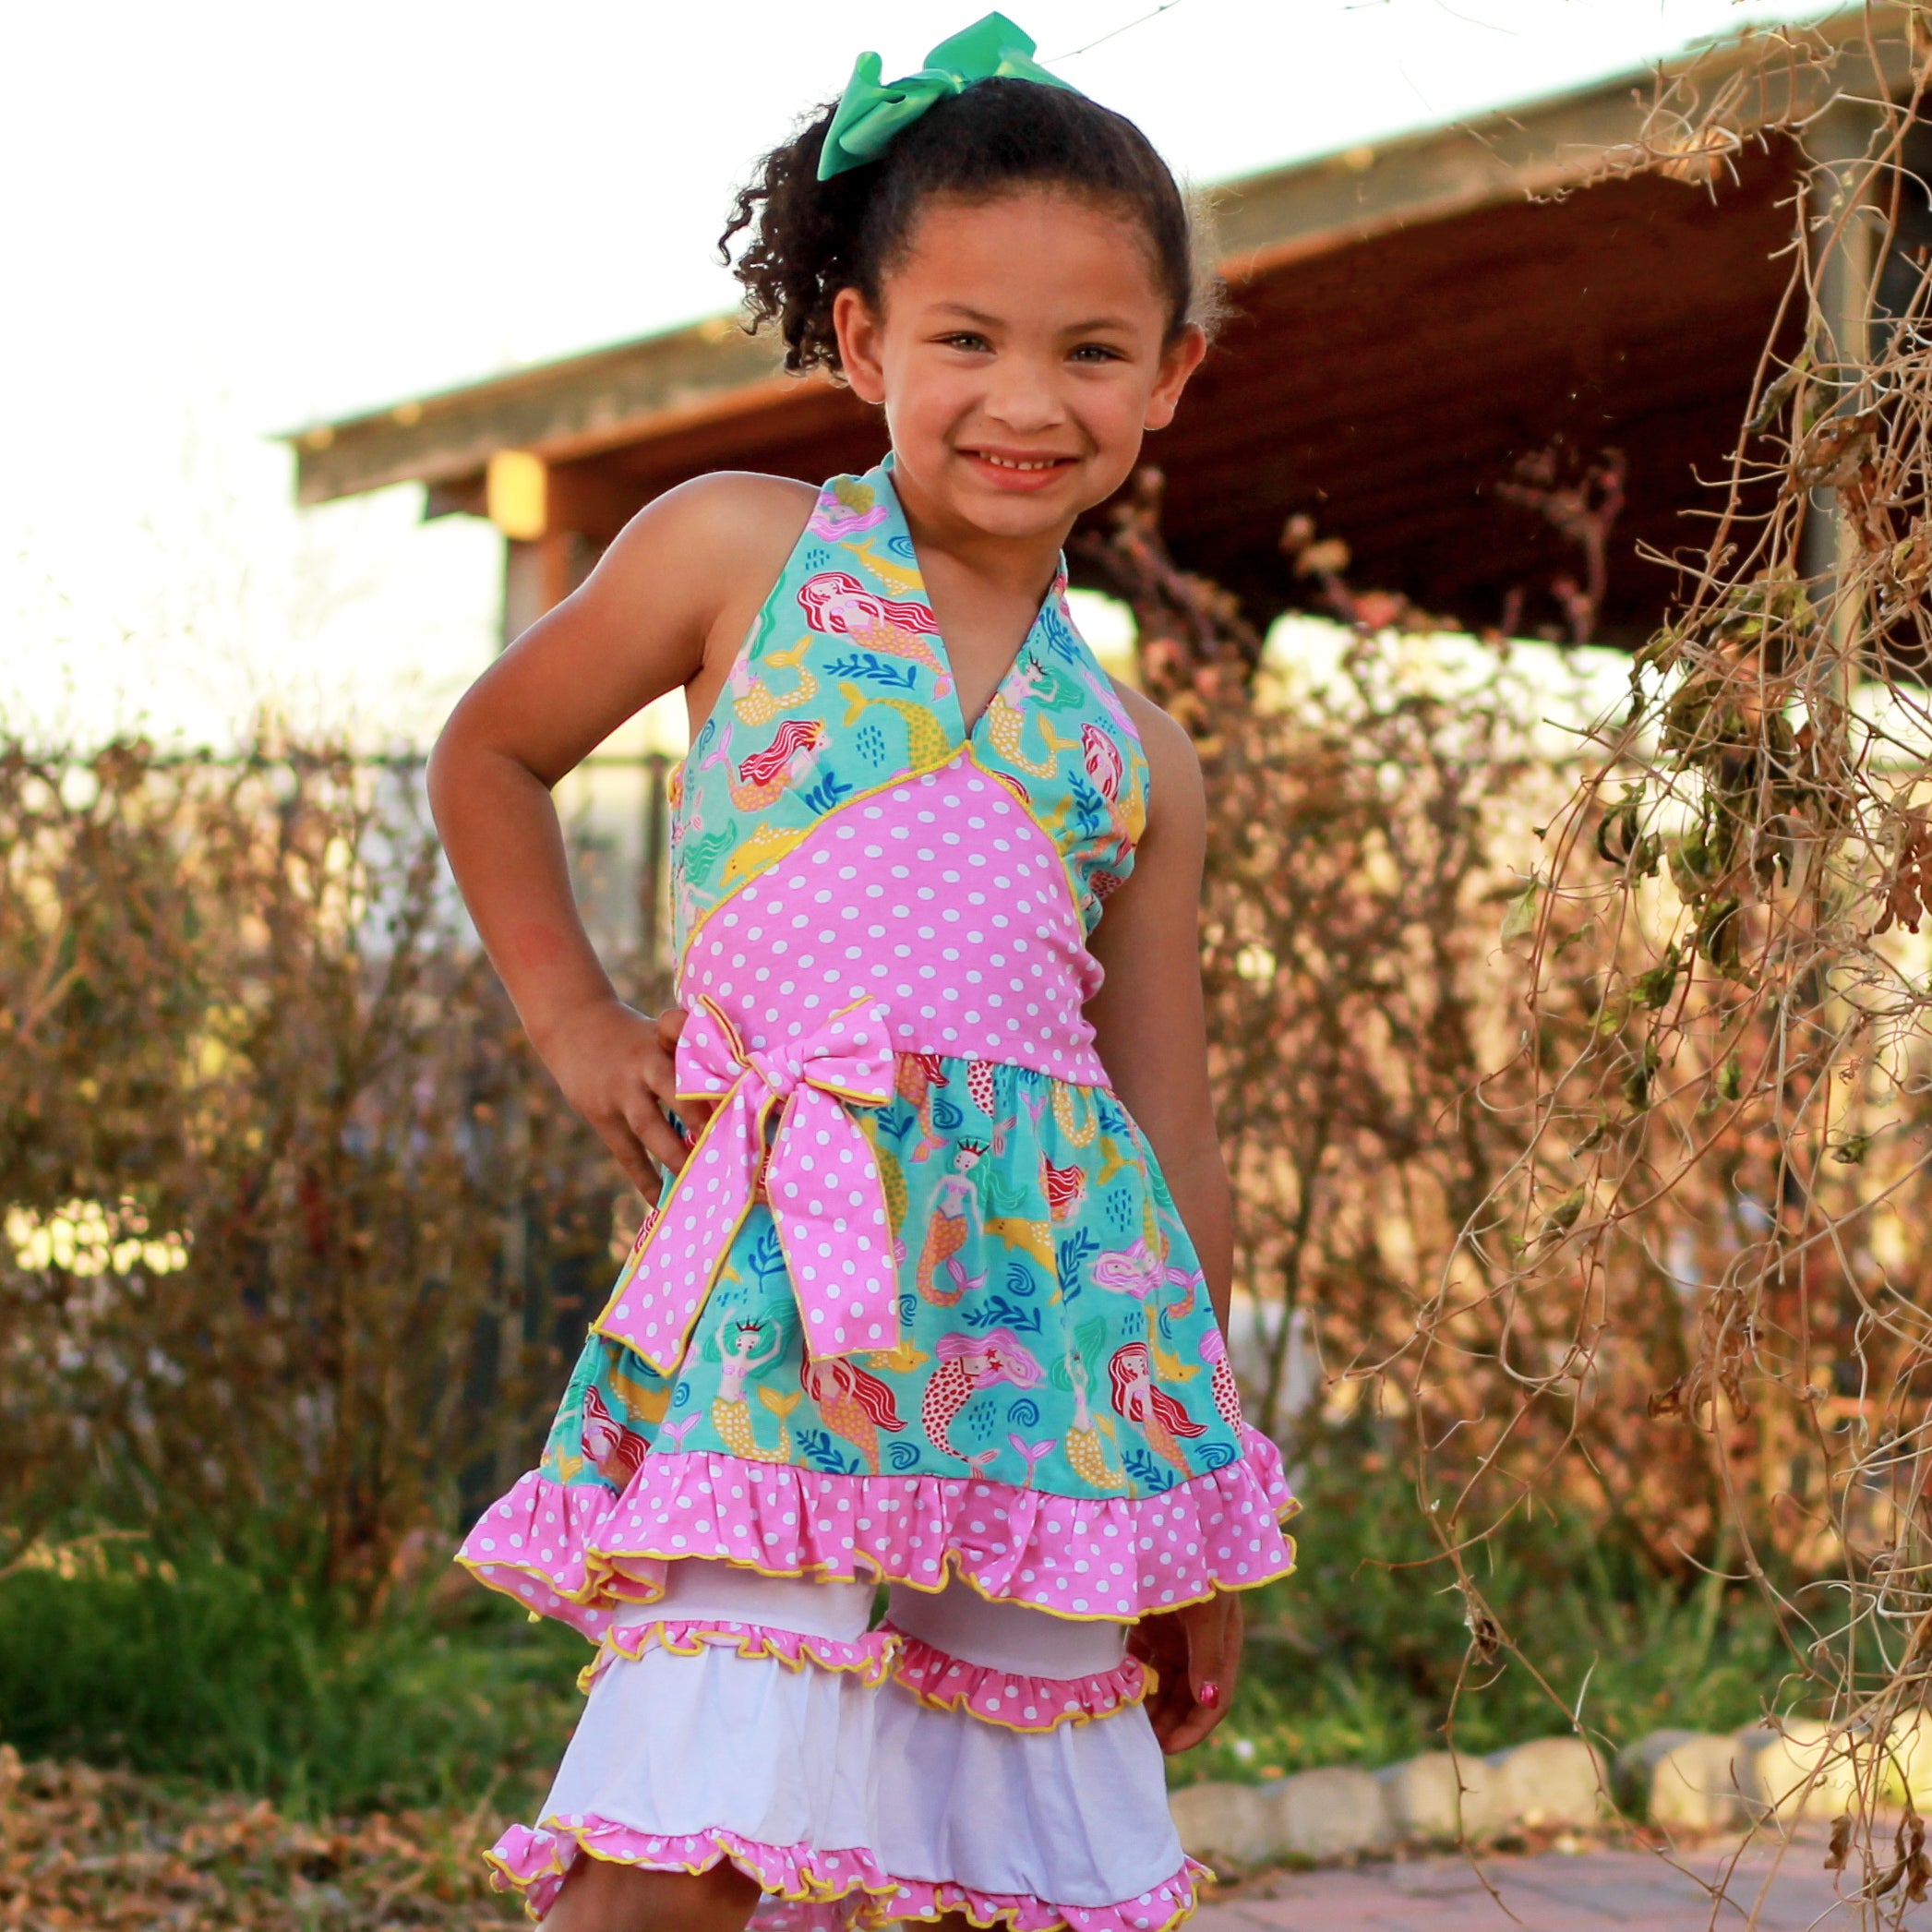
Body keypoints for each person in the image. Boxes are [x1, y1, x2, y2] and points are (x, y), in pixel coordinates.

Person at [426, 16, 1297, 1931]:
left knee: (1008, 1873)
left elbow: (1166, 1137)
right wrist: (573, 1016)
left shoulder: (1138, 751)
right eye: (964, 338)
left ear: (1172, 378)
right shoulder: (737, 553)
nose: (1025, 398)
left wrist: (1189, 1500)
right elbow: (488, 751)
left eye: (1090, 352)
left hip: (1062, 1369)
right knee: (692, 1839)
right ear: (857, 344)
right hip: (791, 1323)